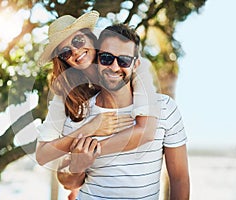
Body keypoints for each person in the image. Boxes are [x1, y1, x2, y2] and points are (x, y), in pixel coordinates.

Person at [57, 24, 190, 200]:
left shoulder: (164, 108)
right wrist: (77, 165)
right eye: (106, 58)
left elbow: (179, 179)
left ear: (136, 65)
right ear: (97, 61)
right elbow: (68, 183)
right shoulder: (80, 114)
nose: (114, 67)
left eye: (124, 61)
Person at [36, 10, 159, 167]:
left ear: (90, 36)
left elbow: (147, 131)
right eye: (65, 52)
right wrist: (89, 128)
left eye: (78, 40)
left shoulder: (128, 65)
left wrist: (88, 154)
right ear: (63, 59)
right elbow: (41, 155)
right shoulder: (67, 93)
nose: (75, 51)